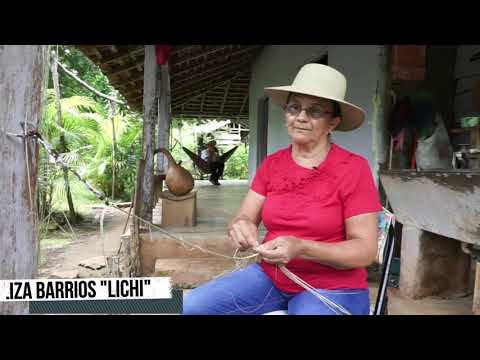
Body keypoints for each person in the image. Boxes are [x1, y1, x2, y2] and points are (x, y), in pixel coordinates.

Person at [183, 64, 382, 315]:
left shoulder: (353, 168)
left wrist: (302, 248)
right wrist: (242, 227)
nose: (301, 117)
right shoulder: (272, 164)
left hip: (333, 288)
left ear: (333, 123)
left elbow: (365, 251)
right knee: (191, 307)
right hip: (271, 278)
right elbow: (245, 216)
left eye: (315, 111)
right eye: (294, 107)